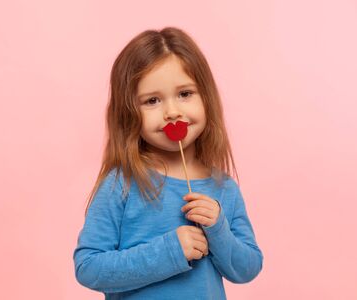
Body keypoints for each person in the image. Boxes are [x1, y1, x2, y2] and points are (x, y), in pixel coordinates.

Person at [73, 26, 263, 300]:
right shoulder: (122, 183)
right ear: (129, 113)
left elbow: (248, 269)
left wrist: (218, 229)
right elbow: (88, 267)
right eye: (152, 100)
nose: (172, 112)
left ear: (205, 97)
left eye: (185, 94)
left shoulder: (225, 189)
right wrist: (170, 252)